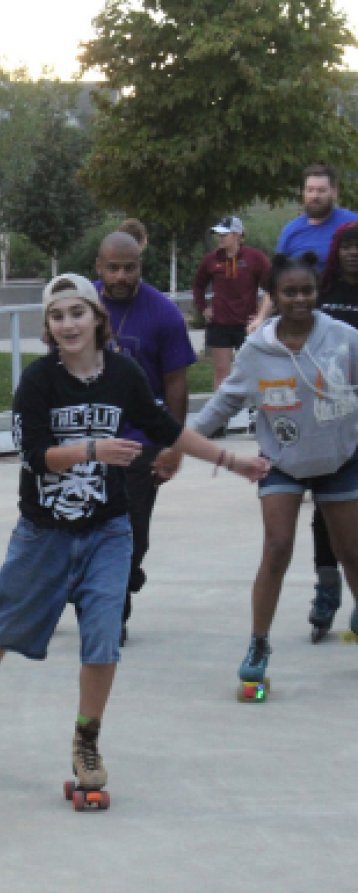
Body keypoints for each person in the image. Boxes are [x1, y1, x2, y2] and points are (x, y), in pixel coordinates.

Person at [0, 274, 267, 794]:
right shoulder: (38, 382)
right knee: (0, 627)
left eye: (77, 313)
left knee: (102, 636)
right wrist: (91, 450)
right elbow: (33, 457)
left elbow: (166, 427)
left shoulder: (123, 374)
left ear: (97, 319)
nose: (67, 324)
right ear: (48, 327)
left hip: (108, 529)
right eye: (57, 317)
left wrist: (232, 460)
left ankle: (87, 741)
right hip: (43, 531)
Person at [190, 252, 358, 687]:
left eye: (307, 291)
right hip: (282, 462)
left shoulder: (343, 338)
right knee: (277, 547)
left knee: (352, 552)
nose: (300, 299)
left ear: (317, 292)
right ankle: (259, 642)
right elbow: (226, 400)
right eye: (290, 292)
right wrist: (184, 441)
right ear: (274, 297)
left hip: (340, 460)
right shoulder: (257, 350)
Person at [94, 231, 197, 643]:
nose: (121, 275)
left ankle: (116, 601)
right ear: (98, 267)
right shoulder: (82, 308)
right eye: (113, 267)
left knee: (132, 528)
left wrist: (173, 444)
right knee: (84, 525)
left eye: (130, 267)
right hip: (88, 435)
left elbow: (177, 384)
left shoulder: (163, 314)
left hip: (140, 439)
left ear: (140, 266)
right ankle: (109, 593)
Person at [306, 222, 358, 639]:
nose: (353, 254)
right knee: (325, 509)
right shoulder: (321, 296)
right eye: (347, 247)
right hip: (326, 415)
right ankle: (327, 588)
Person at [250, 163, 358, 330]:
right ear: (303, 192)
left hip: (346, 309)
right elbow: (278, 276)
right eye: (310, 190)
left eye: (321, 190)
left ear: (334, 192)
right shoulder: (291, 230)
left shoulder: (351, 224)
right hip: (302, 314)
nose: (315, 196)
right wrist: (261, 317)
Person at [192, 216, 270, 392]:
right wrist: (203, 308)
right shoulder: (211, 259)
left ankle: (254, 412)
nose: (220, 238)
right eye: (218, 234)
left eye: (224, 234)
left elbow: (271, 288)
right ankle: (220, 416)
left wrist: (260, 317)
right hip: (219, 323)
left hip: (247, 325)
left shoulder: (254, 257)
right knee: (221, 371)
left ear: (237, 235)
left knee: (251, 370)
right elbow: (198, 285)